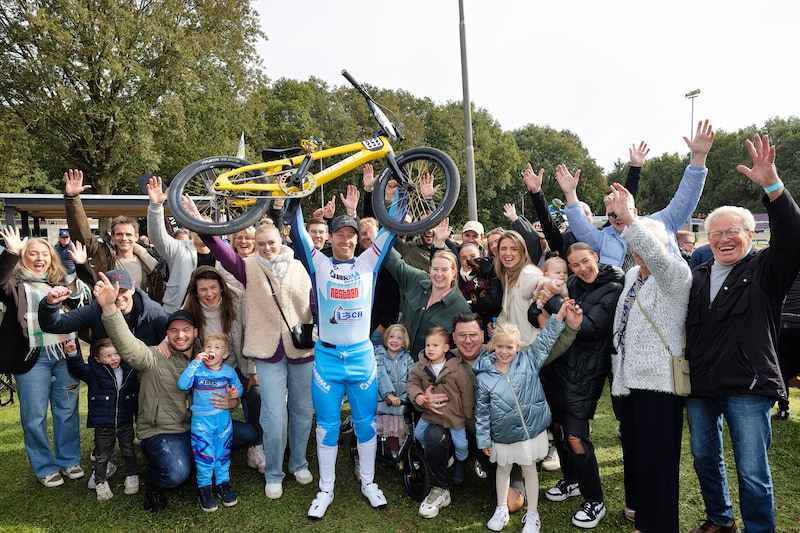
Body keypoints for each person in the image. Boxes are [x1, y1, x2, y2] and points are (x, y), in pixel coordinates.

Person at [684, 134, 800, 533]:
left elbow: (793, 237)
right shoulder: (696, 276)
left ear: (752, 236)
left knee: (752, 471)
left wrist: (773, 186)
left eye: (733, 231)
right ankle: (720, 519)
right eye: (715, 233)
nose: (723, 238)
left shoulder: (767, 270)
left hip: (749, 386)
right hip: (701, 384)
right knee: (704, 459)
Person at [93, 275, 256, 513]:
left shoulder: (206, 360)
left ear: (196, 332)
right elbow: (128, 346)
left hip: (199, 425)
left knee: (247, 434)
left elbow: (227, 382)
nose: (180, 336)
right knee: (175, 473)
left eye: (186, 330)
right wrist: (109, 309)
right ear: (167, 333)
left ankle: (198, 460)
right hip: (163, 431)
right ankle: (155, 479)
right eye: (174, 331)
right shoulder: (153, 357)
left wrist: (231, 400)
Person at [288, 201, 396, 519]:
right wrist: (295, 198)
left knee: (366, 425)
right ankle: (326, 488)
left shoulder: (368, 264)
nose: (346, 240)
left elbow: (391, 229)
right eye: (340, 234)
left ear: (357, 238)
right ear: (330, 238)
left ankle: (369, 482)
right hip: (327, 359)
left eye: (352, 235)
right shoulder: (319, 264)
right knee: (327, 428)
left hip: (362, 356)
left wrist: (405, 193)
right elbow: (296, 231)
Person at [201, 218, 314, 500]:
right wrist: (201, 223)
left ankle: (298, 462)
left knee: (302, 411)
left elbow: (313, 301)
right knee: (274, 416)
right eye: (261, 244)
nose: (266, 248)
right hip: (266, 352)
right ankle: (274, 472)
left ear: (281, 242)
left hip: (301, 349)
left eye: (271, 243)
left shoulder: (300, 265)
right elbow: (219, 250)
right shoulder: (248, 267)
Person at [607, 185, 692, 533]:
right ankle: (639, 508)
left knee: (657, 460)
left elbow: (655, 255)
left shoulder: (676, 276)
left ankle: (657, 524)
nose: (640, 252)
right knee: (636, 450)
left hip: (659, 384)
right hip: (628, 378)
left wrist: (630, 219)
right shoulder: (630, 276)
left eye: (647, 245)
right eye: (635, 246)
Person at [539, 242, 624, 529]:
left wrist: (552, 303)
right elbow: (536, 310)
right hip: (556, 369)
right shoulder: (571, 282)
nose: (581, 269)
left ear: (596, 257)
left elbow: (588, 327)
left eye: (585, 262)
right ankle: (571, 480)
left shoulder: (613, 286)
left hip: (584, 374)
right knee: (558, 430)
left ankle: (594, 500)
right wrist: (553, 305)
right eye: (574, 265)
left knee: (576, 437)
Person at [0, 225, 93, 487]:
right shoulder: (14, 284)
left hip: (65, 353)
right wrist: (11, 252)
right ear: (24, 257)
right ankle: (44, 466)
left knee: (66, 410)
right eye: (32, 254)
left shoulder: (62, 283)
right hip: (30, 357)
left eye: (45, 254)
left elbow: (87, 295)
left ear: (51, 258)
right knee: (34, 416)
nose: (39, 259)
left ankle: (69, 460)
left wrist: (83, 266)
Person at [557, 123, 714, 270]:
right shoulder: (603, 238)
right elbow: (581, 228)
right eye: (613, 214)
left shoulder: (662, 223)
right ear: (607, 216)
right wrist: (570, 193)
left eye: (623, 210)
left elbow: (685, 199)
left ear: (635, 211)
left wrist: (699, 158)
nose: (619, 217)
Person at [475, 314, 569, 533]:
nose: (504, 351)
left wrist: (559, 317)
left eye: (509, 347)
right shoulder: (484, 377)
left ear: (517, 347)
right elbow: (481, 412)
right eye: (500, 346)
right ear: (493, 346)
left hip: (530, 432)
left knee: (529, 470)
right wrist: (483, 438)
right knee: (503, 469)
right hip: (503, 434)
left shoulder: (529, 361)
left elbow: (545, 341)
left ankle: (533, 513)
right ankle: (501, 509)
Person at [181, 266, 263, 472]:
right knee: (208, 403)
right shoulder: (191, 309)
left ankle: (256, 446)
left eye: (213, 287)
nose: (209, 294)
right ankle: (203, 442)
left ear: (221, 287)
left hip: (236, 363)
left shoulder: (236, 301)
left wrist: (252, 369)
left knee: (255, 393)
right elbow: (178, 332)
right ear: (195, 291)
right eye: (203, 289)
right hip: (208, 371)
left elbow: (250, 333)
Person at [522, 141, 651, 261]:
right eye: (579, 212)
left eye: (586, 213)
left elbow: (624, 202)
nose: (581, 216)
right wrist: (536, 192)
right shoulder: (565, 240)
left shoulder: (604, 234)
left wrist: (635, 168)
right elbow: (547, 223)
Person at [63, 169, 165, 303]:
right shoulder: (102, 255)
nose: (124, 238)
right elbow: (83, 237)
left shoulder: (150, 264)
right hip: (109, 312)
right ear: (112, 236)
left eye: (128, 234)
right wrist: (72, 199)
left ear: (136, 237)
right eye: (119, 234)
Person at [407, 326, 474, 518]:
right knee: (419, 435)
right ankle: (432, 458)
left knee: (461, 444)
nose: (430, 349)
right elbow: (411, 383)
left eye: (435, 345)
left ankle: (459, 461)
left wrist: (467, 412)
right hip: (431, 415)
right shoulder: (420, 367)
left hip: (453, 416)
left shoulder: (456, 369)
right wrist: (418, 395)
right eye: (428, 345)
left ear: (445, 348)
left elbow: (467, 391)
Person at [65, 337, 140, 500]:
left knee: (128, 450)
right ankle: (100, 481)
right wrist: (73, 354)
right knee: (102, 455)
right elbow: (78, 368)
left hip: (125, 421)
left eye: (116, 354)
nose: (113, 358)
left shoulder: (129, 371)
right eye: (108, 356)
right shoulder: (94, 373)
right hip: (103, 425)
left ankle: (132, 475)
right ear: (98, 359)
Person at [178, 333, 244, 511]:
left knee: (222, 453)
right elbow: (183, 384)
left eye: (217, 347)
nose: (211, 350)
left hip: (223, 420)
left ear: (225, 354)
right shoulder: (197, 370)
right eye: (208, 347)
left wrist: (235, 393)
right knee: (204, 455)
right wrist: (195, 363)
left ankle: (223, 484)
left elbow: (239, 388)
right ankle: (204, 488)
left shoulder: (228, 372)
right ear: (202, 351)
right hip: (201, 422)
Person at [383, 228, 471, 357]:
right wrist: (382, 232)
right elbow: (395, 263)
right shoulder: (417, 280)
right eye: (435, 269)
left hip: (427, 372)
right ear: (430, 269)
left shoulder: (461, 308)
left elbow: (461, 348)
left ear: (453, 272)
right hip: (399, 361)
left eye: (444, 270)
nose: (439, 274)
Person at [39, 268, 167, 346]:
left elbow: (168, 341)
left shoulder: (153, 312)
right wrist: (51, 304)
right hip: (105, 378)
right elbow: (55, 325)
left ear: (132, 289)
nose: (117, 296)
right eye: (112, 291)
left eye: (122, 290)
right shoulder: (96, 309)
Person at [146, 176, 198, 313]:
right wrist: (156, 206)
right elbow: (157, 236)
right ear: (191, 230)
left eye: (205, 227)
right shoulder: (180, 249)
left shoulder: (220, 255)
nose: (202, 231)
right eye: (197, 226)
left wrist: (195, 213)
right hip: (177, 313)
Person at [493, 230, 543, 349]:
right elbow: (510, 312)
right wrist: (498, 325)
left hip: (529, 347)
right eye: (503, 248)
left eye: (514, 249)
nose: (508, 253)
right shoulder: (508, 275)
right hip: (515, 348)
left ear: (522, 251)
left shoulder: (528, 273)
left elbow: (543, 289)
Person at [374, 324, 415, 456]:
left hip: (399, 404)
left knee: (394, 431)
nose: (395, 340)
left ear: (404, 342)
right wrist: (389, 395)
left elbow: (414, 376)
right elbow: (381, 376)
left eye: (399, 338)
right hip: (383, 402)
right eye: (391, 336)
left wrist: (417, 392)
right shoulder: (379, 355)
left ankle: (396, 454)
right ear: (386, 338)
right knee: (374, 432)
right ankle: (362, 455)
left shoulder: (407, 358)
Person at [457, 242, 502, 337]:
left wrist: (468, 302)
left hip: (489, 331)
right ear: (460, 260)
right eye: (464, 258)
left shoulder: (491, 274)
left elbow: (492, 301)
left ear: (481, 257)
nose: (469, 261)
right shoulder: (455, 278)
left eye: (473, 256)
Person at [775, 273, 800, 420]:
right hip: (793, 325)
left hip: (783, 324)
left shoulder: (784, 273)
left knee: (782, 369)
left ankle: (783, 408)